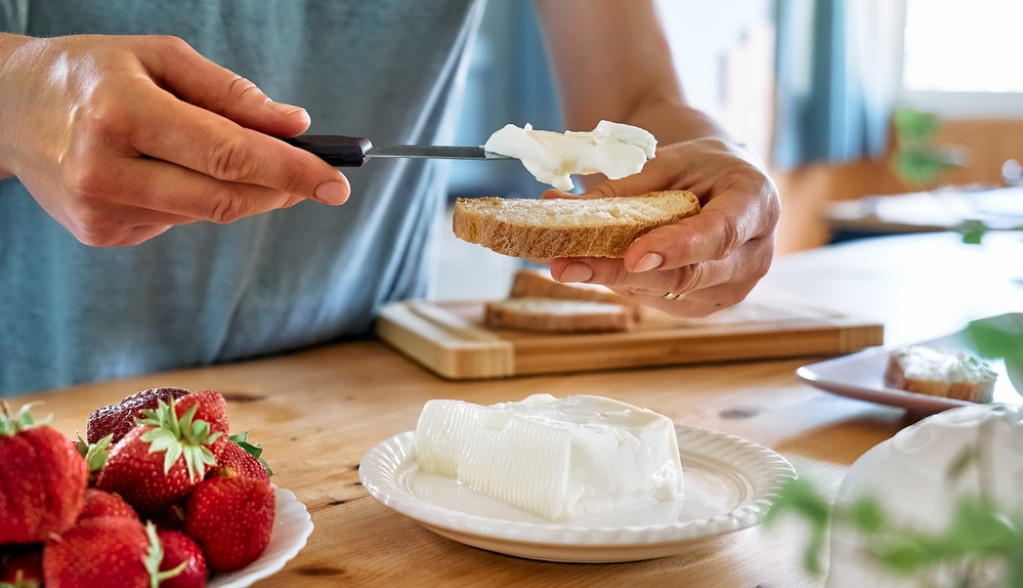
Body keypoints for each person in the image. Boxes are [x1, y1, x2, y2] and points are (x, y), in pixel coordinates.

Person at [0, 0, 780, 397]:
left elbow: (639, 99)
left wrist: (720, 174)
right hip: (42, 413)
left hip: (365, 400)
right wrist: (15, 96)